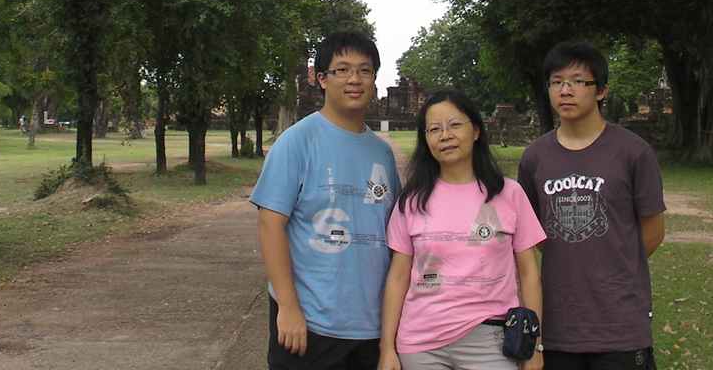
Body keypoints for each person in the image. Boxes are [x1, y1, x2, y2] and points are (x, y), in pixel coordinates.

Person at [251, 31, 401, 370]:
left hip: (371, 325)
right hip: (310, 324)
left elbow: (395, 235)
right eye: (342, 70)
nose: (354, 79)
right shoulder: (296, 142)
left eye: (364, 70)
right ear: (322, 79)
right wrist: (288, 307)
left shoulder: (382, 153)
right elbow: (270, 225)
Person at [517, 41, 666, 370]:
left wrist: (612, 260)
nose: (565, 91)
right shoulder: (535, 158)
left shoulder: (633, 152)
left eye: (577, 81)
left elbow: (653, 231)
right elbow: (533, 231)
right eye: (556, 82)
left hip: (620, 323)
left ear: (601, 91)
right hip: (558, 324)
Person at [379, 89, 546, 370]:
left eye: (455, 125)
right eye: (434, 129)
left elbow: (529, 273)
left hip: (491, 341)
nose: (445, 135)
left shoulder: (509, 193)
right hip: (421, 344)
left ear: (476, 131)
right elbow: (398, 277)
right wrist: (387, 348)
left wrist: (535, 345)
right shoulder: (411, 200)